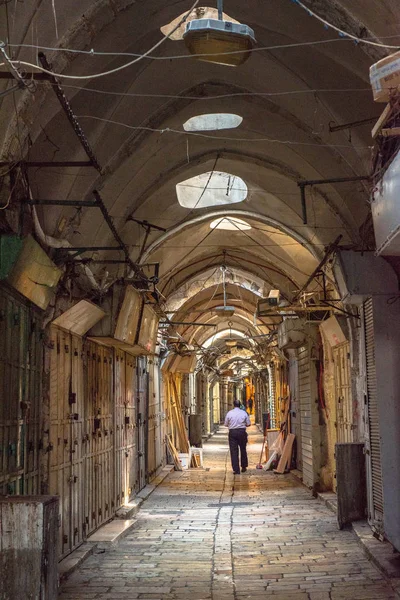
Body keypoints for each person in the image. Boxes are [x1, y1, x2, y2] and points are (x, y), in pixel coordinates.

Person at [224, 399, 251, 475]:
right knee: (243, 449)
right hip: (242, 432)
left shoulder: (229, 413)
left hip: (232, 433)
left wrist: (232, 425)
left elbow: (226, 424)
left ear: (233, 405)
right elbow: (248, 424)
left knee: (234, 451)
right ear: (240, 405)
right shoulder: (244, 413)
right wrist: (242, 424)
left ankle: (236, 470)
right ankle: (244, 466)